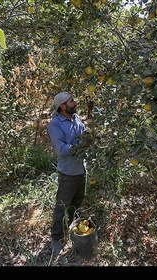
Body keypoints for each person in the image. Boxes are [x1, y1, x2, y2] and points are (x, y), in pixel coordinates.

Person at [46, 92, 87, 256]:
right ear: (62, 106)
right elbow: (62, 150)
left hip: (81, 169)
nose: (75, 103)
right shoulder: (55, 125)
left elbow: (84, 134)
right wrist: (81, 145)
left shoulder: (76, 118)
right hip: (68, 173)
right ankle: (56, 238)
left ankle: (74, 229)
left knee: (77, 202)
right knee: (62, 206)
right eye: (71, 101)